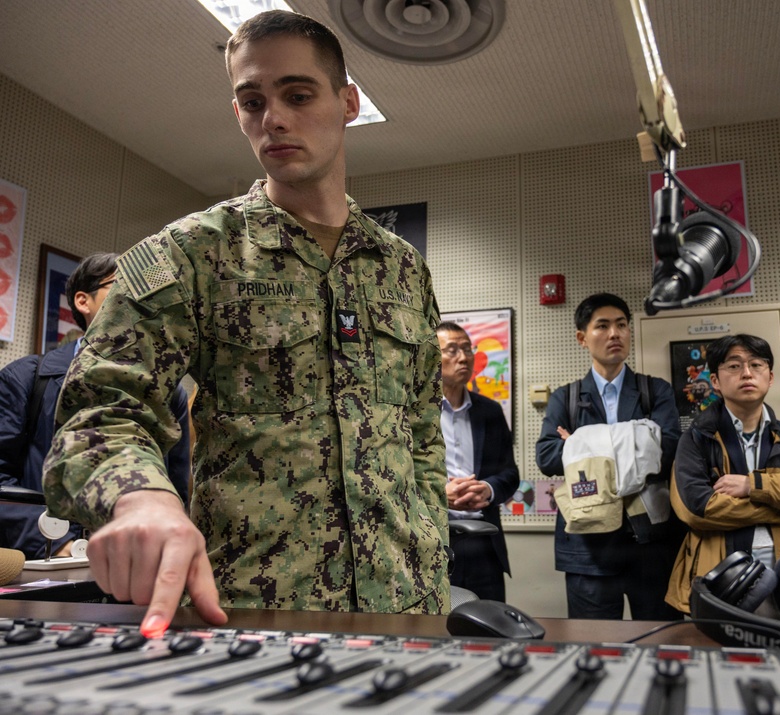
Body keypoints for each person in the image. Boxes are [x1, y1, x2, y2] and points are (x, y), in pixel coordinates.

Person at [42, 9, 448, 637]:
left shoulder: (401, 268)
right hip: (253, 610)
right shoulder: (193, 253)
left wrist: (431, 547)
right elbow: (98, 408)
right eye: (252, 100)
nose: (274, 118)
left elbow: (421, 430)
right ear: (238, 113)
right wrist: (140, 496)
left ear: (348, 102)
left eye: (297, 94)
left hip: (406, 606)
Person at [0, 253, 191, 560]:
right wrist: (53, 542)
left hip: (132, 574)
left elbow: (176, 489)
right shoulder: (26, 378)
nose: (139, 300)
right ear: (82, 301)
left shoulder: (170, 392)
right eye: (122, 285)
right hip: (45, 569)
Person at [536, 293, 686, 620]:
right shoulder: (567, 397)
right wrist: (636, 439)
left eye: (621, 325)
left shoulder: (655, 390)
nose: (614, 333)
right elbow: (547, 456)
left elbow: (667, 451)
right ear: (582, 337)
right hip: (587, 549)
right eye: (602, 326)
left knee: (663, 645)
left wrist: (579, 443)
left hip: (652, 544)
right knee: (595, 648)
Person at [666, 335, 780, 613]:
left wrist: (755, 485)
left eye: (756, 365)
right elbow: (696, 509)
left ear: (769, 377)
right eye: (734, 366)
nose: (747, 373)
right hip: (720, 578)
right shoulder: (696, 439)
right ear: (715, 381)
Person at [436, 321, 519, 602]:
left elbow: (510, 473)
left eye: (467, 348)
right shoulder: (414, 413)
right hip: (435, 540)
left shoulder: (490, 411)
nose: (463, 357)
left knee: (489, 631)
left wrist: (487, 488)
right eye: (452, 350)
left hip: (485, 544)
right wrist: (439, 494)